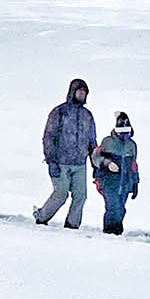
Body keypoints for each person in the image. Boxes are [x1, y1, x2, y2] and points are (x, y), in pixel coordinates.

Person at [34, 78, 97, 229]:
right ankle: (41, 218)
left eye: (84, 92)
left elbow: (92, 141)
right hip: (60, 162)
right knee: (61, 194)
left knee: (81, 196)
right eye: (79, 91)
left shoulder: (87, 115)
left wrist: (95, 162)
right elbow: (48, 136)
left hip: (80, 164)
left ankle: (72, 225)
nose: (82, 94)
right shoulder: (59, 112)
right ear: (72, 92)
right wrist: (51, 161)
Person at [92, 112, 140, 235]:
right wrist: (107, 163)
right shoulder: (107, 142)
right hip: (108, 182)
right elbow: (96, 157)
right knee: (113, 208)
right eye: (121, 131)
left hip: (125, 183)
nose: (124, 135)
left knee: (121, 209)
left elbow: (133, 166)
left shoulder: (131, 145)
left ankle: (117, 232)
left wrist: (135, 183)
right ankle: (109, 232)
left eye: (126, 131)